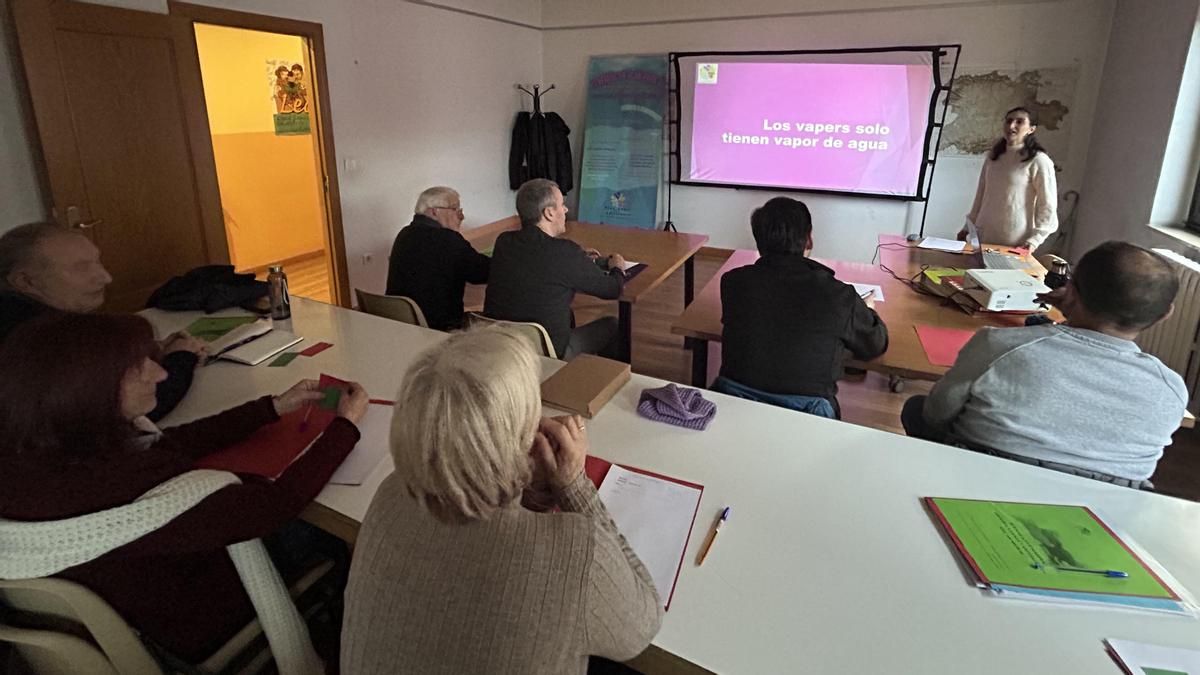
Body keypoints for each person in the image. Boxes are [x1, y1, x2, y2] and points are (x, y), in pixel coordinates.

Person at [0, 312, 369, 664]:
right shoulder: (139, 491)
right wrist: (345, 428)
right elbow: (274, 505)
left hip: (132, 602)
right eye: (136, 368)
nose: (160, 373)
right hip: (197, 619)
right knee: (338, 534)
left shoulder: (36, 454)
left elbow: (168, 444)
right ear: (87, 392)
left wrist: (270, 408)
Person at [341, 326, 662, 674]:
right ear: (525, 433)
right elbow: (643, 623)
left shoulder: (391, 492)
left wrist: (524, 488)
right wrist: (574, 485)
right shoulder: (578, 551)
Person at [902, 241, 1187, 488]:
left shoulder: (998, 345)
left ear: (1069, 291)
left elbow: (937, 412)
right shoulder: (1172, 389)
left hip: (984, 480)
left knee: (915, 408)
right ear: (1164, 315)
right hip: (1099, 507)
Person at [0, 222, 204, 421]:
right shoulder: (39, 338)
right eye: (81, 268)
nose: (106, 278)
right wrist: (182, 356)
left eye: (97, 262)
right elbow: (138, 407)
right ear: (25, 282)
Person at [717, 197, 888, 418]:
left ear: (758, 241)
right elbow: (875, 344)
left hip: (731, 400)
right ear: (809, 240)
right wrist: (868, 309)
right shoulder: (839, 296)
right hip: (807, 410)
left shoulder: (733, 282)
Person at [484, 178, 626, 359]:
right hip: (544, 354)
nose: (566, 210)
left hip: (501, 345)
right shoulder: (565, 252)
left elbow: (536, 263)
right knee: (612, 326)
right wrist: (617, 268)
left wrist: (578, 258)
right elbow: (613, 289)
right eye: (562, 205)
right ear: (549, 213)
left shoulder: (504, 241)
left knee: (567, 314)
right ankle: (604, 383)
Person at [385, 186, 491, 331]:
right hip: (438, 327)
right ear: (434, 211)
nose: (461, 216)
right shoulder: (449, 240)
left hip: (400, 324)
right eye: (456, 210)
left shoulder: (404, 234)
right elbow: (482, 273)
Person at [960, 106, 1059, 251]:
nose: (1012, 126)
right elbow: (981, 196)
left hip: (1015, 240)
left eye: (1019, 122)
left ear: (1031, 129)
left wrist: (1035, 240)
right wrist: (967, 227)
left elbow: (1047, 205)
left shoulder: (1038, 160)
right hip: (983, 235)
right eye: (1009, 121)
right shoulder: (993, 157)